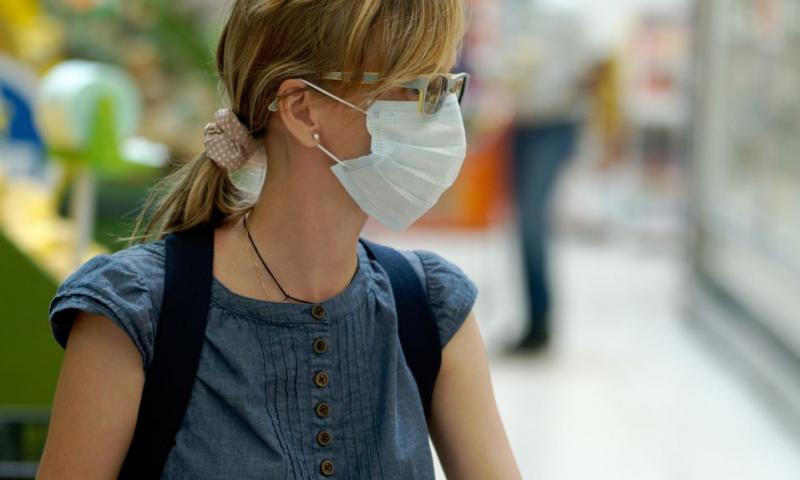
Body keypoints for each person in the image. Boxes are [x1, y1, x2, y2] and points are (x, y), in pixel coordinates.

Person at [36, 1, 521, 479]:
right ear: (302, 110)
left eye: (444, 87)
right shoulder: (135, 314)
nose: (441, 120)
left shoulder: (431, 310)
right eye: (416, 90)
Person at [501, 2, 597, 352]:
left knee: (532, 221)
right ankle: (533, 321)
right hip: (524, 126)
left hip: (555, 125)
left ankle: (540, 323)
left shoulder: (568, 15)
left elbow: (589, 73)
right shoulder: (517, 14)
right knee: (522, 224)